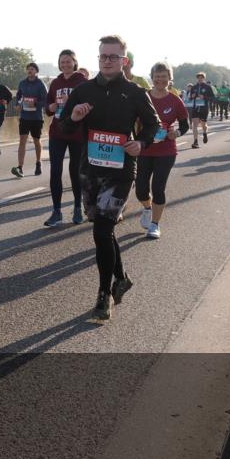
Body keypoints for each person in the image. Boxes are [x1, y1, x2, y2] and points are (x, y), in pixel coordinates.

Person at [61, 35, 160, 320]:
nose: (107, 61)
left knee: (102, 231)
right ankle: (122, 277)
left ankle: (104, 295)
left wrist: (141, 143)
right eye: (103, 56)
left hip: (120, 171)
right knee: (104, 230)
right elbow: (65, 127)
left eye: (113, 57)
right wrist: (76, 118)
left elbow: (153, 125)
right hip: (90, 169)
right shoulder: (83, 91)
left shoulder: (135, 92)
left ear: (123, 61)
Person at [135, 62, 189, 239]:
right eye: (157, 76)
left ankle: (155, 224)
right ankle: (147, 208)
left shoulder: (175, 100)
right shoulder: (143, 97)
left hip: (166, 151)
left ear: (169, 79)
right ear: (152, 78)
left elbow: (184, 124)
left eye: (163, 76)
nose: (160, 80)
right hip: (144, 149)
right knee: (141, 190)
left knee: (158, 188)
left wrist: (177, 133)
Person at [44, 49, 87, 227]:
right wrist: (51, 107)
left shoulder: (82, 81)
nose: (65, 65)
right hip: (57, 132)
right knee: (55, 171)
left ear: (74, 62)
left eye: (68, 61)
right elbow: (47, 108)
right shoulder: (55, 83)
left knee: (75, 172)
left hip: (77, 132)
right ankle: (56, 211)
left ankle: (77, 207)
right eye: (62, 62)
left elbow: (91, 104)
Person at [11, 62, 48, 178]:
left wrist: (35, 103)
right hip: (24, 117)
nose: (29, 71)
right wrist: (18, 104)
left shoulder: (41, 84)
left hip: (36, 117)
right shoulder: (22, 83)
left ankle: (38, 162)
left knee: (36, 140)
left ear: (36, 71)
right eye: (28, 69)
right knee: (22, 141)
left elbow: (46, 100)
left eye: (32, 69)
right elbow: (19, 97)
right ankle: (20, 167)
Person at [186, 72, 216, 148]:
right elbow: (190, 98)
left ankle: (204, 133)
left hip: (204, 108)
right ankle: (195, 142)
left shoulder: (207, 87)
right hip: (195, 107)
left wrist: (204, 97)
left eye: (201, 78)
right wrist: (192, 97)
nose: (200, 79)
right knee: (194, 124)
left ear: (204, 78)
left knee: (203, 124)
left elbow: (212, 98)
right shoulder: (194, 87)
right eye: (198, 77)